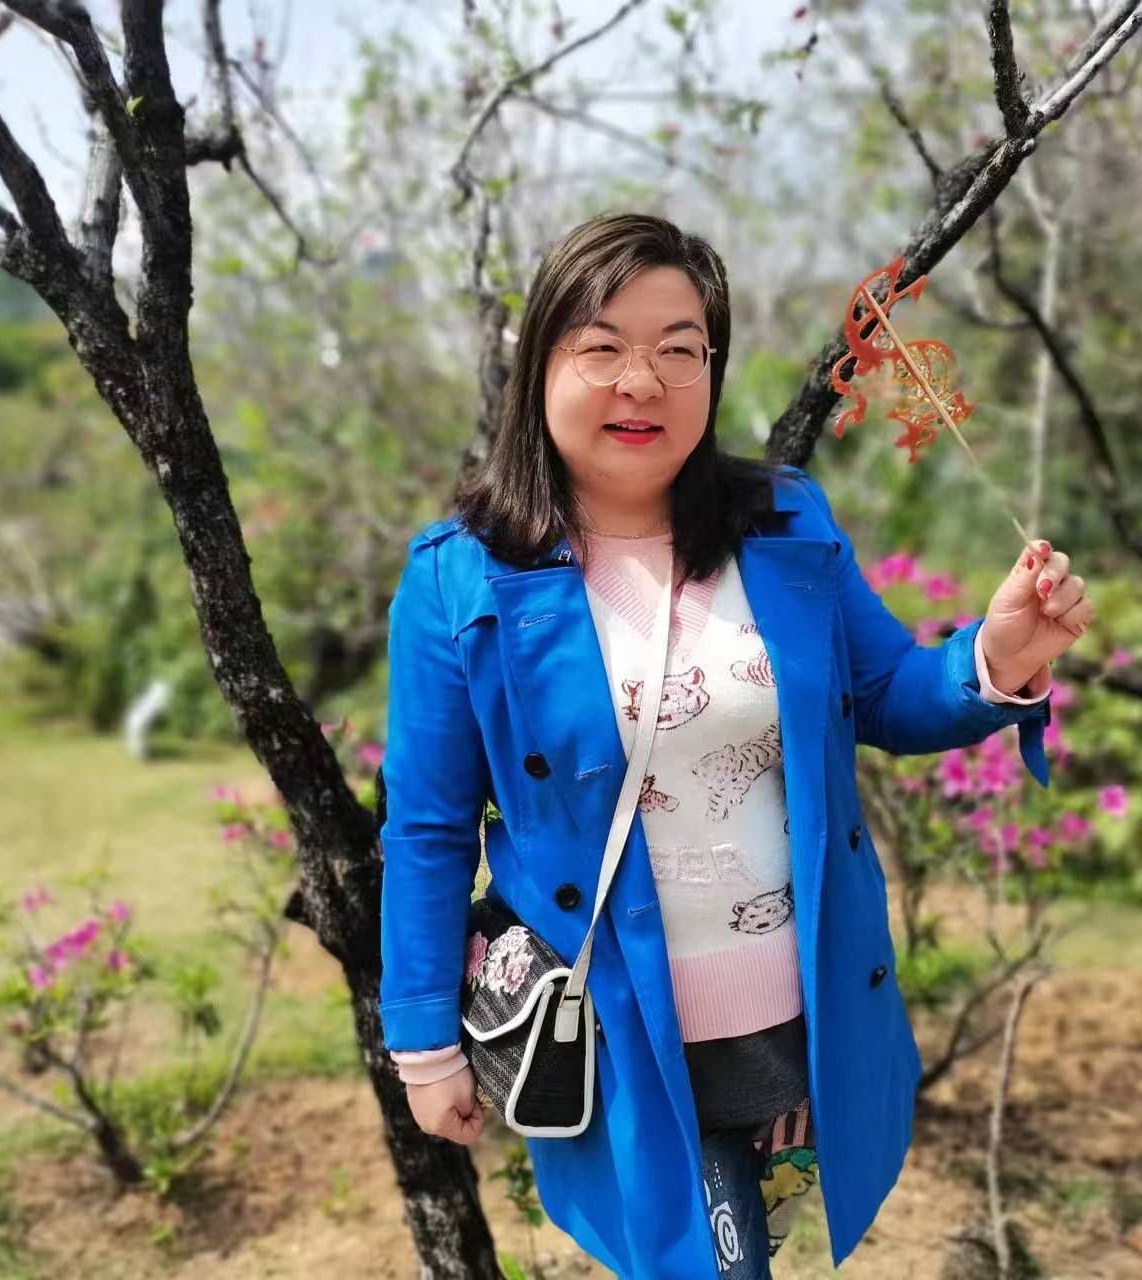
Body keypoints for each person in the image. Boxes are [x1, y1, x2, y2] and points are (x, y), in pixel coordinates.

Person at [377, 212, 1093, 1278]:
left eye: (680, 349)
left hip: (798, 1011)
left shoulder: (782, 522)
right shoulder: (460, 576)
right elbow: (428, 828)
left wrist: (993, 657)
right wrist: (423, 1039)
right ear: (541, 366)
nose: (643, 382)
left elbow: (884, 695)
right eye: (603, 347)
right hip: (621, 1028)